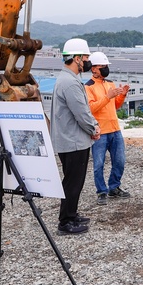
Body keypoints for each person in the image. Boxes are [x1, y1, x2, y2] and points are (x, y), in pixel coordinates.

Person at [51, 38, 100, 235]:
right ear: (77, 58)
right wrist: (94, 129)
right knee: (73, 182)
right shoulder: (70, 83)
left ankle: (71, 213)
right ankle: (66, 221)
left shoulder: (66, 79)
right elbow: (81, 113)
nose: (88, 61)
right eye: (86, 57)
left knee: (73, 180)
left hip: (69, 139)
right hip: (73, 141)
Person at [85, 51, 131, 206]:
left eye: (106, 66)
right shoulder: (88, 87)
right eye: (102, 66)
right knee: (98, 164)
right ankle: (101, 191)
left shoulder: (109, 83)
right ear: (94, 68)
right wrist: (108, 97)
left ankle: (114, 187)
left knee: (120, 161)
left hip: (115, 129)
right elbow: (91, 109)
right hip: (100, 132)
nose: (105, 68)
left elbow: (115, 105)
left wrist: (122, 96)